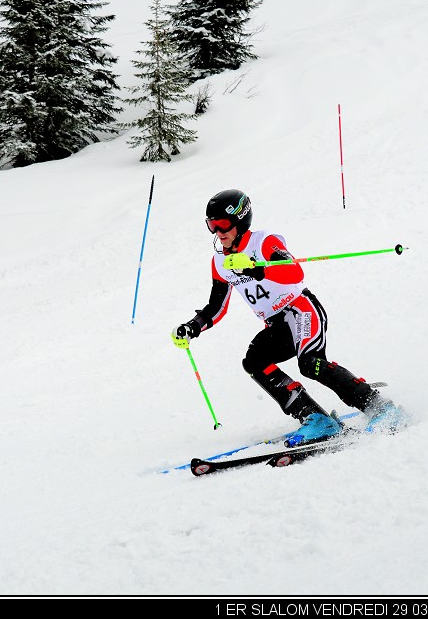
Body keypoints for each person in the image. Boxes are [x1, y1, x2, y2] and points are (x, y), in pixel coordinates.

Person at [171, 189, 407, 447]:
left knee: (310, 363)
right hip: (277, 324)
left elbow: (294, 272)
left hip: (302, 310)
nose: (218, 232)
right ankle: (316, 419)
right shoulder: (219, 262)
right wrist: (192, 327)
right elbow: (216, 306)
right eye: (212, 225)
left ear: (240, 220)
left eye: (223, 224)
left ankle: (379, 406)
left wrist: (256, 268)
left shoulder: (263, 242)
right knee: (254, 362)